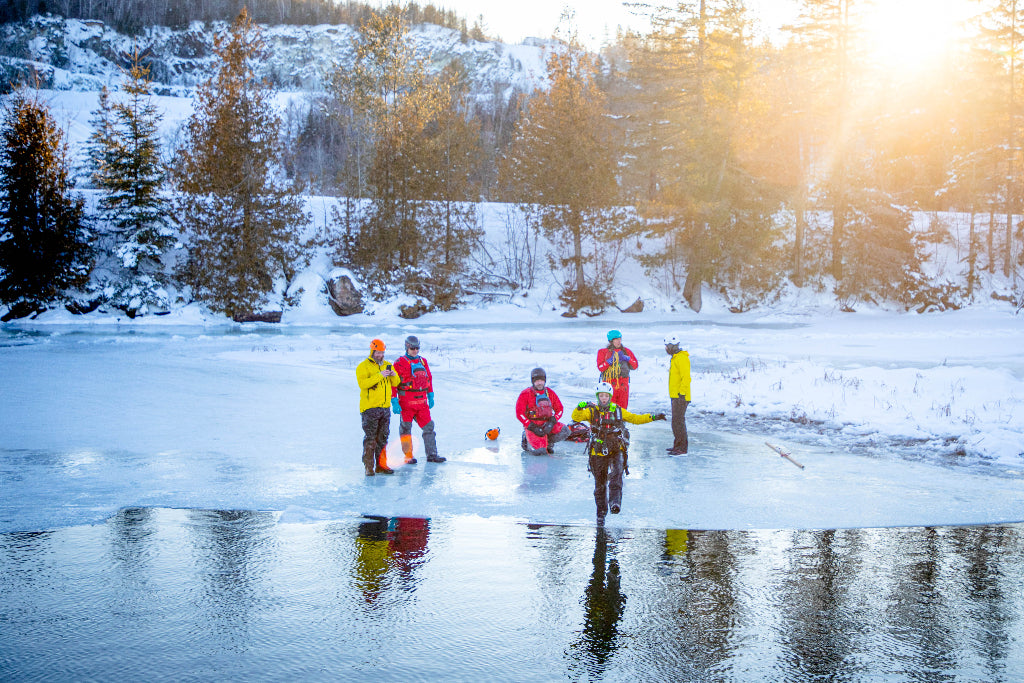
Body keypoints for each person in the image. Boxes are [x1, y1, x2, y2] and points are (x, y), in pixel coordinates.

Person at [572, 382, 666, 523]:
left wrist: (653, 417)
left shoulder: (618, 410)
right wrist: (579, 407)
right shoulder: (591, 411)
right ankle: (601, 512)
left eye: (606, 396)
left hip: (616, 448)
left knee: (617, 476)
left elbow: (635, 419)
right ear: (598, 397)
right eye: (601, 396)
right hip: (598, 451)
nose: (604, 398)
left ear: (610, 396)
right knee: (600, 484)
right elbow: (576, 417)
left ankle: (615, 503)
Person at [392, 335, 445, 464]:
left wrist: (430, 394)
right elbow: (393, 383)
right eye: (412, 348)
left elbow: (429, 379)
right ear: (407, 347)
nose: (415, 351)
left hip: (422, 403)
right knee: (405, 429)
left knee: (429, 428)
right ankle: (408, 455)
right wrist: (394, 400)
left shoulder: (423, 361)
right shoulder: (399, 363)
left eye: (417, 348)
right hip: (406, 402)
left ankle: (432, 455)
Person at [356, 338, 400, 476]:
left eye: (382, 352)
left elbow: (397, 382)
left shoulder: (387, 365)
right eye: (378, 353)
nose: (381, 355)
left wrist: (393, 375)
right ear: (372, 351)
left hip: (385, 408)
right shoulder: (363, 366)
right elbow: (363, 384)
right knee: (371, 438)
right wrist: (379, 375)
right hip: (370, 409)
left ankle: (382, 465)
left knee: (383, 438)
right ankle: (369, 467)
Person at [516, 367, 570, 455]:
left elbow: (559, 409)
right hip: (533, 426)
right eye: (537, 381)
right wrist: (532, 426)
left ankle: (547, 443)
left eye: (541, 380)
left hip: (547, 424)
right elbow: (520, 414)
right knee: (540, 452)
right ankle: (527, 439)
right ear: (533, 381)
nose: (539, 383)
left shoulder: (550, 393)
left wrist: (552, 422)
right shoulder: (525, 394)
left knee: (565, 431)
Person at [596, 330, 639, 408]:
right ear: (611, 341)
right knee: (608, 411)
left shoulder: (626, 351)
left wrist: (628, 359)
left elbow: (635, 366)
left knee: (622, 411)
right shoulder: (603, 352)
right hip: (608, 386)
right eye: (616, 339)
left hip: (623, 386)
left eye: (620, 339)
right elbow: (600, 368)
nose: (619, 341)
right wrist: (609, 362)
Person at [664, 334, 691, 455]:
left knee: (679, 421)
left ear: (672, 346)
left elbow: (686, 378)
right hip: (675, 395)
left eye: (667, 346)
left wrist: (682, 394)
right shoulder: (675, 358)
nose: (666, 349)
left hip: (681, 396)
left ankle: (682, 448)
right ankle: (677, 445)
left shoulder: (682, 358)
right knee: (675, 422)